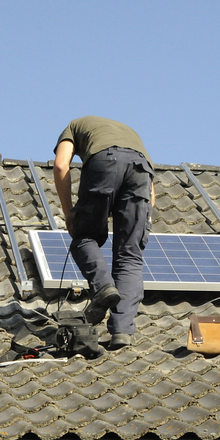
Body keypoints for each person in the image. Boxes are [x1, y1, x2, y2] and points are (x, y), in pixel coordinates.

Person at [53, 116, 154, 349]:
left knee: (84, 237)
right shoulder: (131, 132)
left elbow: (61, 165)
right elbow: (150, 194)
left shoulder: (74, 126)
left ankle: (103, 288)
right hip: (142, 171)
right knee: (130, 255)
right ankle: (122, 332)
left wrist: (70, 214)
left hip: (104, 161)